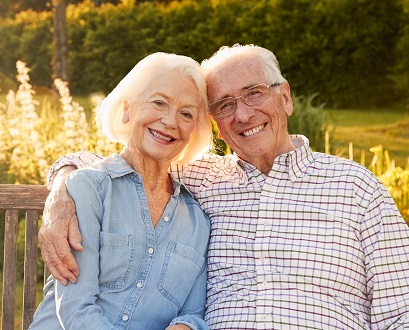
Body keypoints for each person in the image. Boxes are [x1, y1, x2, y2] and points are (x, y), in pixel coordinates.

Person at [40, 44, 409, 329]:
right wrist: (61, 191)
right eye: (225, 104)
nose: (243, 114)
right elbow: (124, 163)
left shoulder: (356, 187)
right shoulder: (203, 179)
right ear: (214, 122)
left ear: (284, 96)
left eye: (254, 94)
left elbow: (401, 310)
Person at [30, 52, 213, 330]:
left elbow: (193, 313)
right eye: (159, 102)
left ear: (194, 131)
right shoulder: (89, 187)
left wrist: (186, 326)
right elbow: (75, 309)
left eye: (186, 113)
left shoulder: (197, 220)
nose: (170, 121)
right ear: (128, 109)